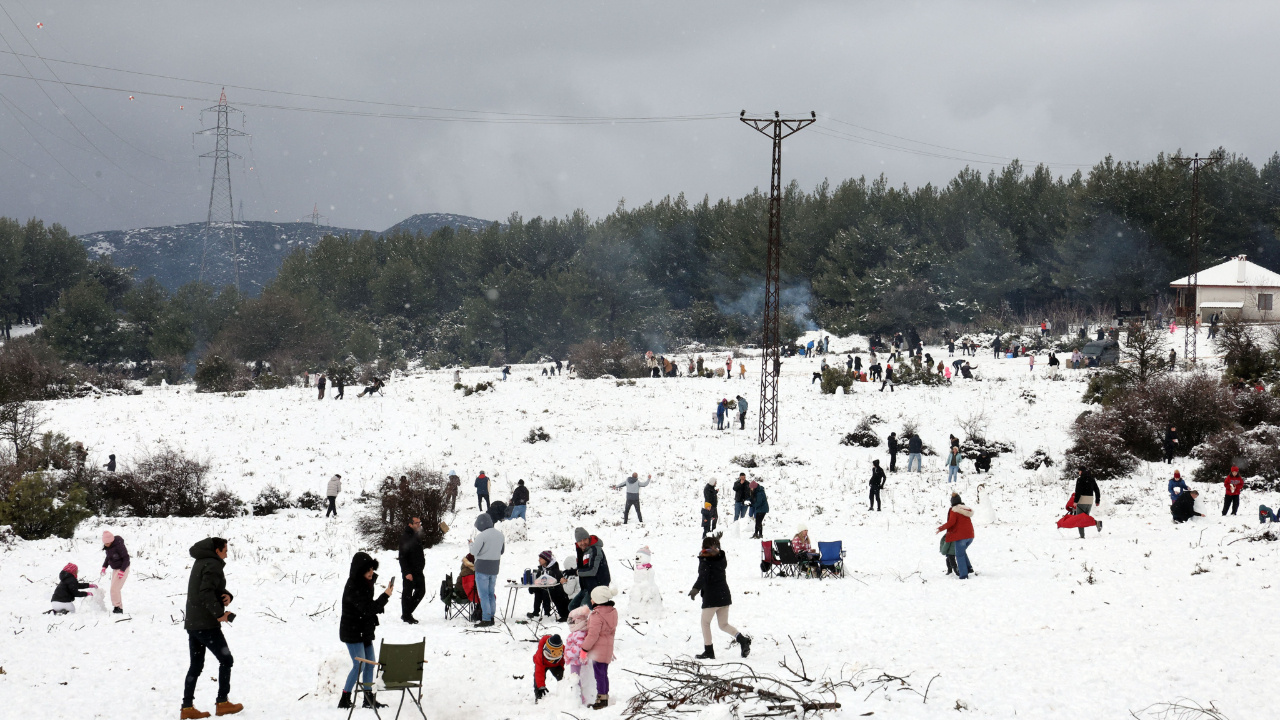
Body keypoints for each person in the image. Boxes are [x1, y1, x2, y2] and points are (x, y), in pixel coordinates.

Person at [182, 537, 242, 718]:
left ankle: (187, 708)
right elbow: (206, 592)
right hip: (206, 624)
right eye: (225, 549)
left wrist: (227, 595)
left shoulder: (201, 561)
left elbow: (211, 588)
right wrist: (219, 614)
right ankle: (222, 702)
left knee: (196, 665)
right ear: (217, 550)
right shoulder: (213, 564)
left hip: (194, 622)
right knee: (226, 660)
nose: (227, 553)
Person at [338, 552, 393, 710]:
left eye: (371, 568)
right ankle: (345, 698)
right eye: (367, 570)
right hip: (353, 632)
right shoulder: (353, 587)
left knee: (370, 664)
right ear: (359, 571)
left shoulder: (366, 583)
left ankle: (368, 699)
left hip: (364, 630)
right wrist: (385, 596)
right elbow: (367, 609)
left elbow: (368, 608)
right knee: (359, 665)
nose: (371, 572)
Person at [689, 536, 751, 660]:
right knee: (723, 624)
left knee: (705, 623)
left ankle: (709, 651)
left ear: (704, 547)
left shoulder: (706, 560)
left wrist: (695, 589)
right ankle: (742, 639)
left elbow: (703, 577)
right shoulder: (721, 558)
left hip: (712, 597)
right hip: (724, 595)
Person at [582, 586, 619, 710]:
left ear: (598, 600)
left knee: (599, 674)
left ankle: (602, 699)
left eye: (592, 598)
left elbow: (593, 635)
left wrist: (584, 649)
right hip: (607, 648)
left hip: (598, 650)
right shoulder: (612, 612)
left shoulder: (596, 615)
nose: (591, 600)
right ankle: (604, 696)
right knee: (603, 673)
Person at [566, 527, 611, 612]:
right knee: (572, 607)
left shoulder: (595, 550)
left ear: (589, 538)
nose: (582, 543)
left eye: (584, 539)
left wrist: (576, 572)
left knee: (584, 610)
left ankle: (593, 623)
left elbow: (593, 570)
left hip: (597, 586)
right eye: (580, 541)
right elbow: (584, 568)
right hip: (587, 587)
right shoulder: (583, 551)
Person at [936, 494, 975, 580]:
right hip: (970, 536)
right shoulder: (965, 509)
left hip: (961, 537)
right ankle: (969, 568)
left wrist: (941, 528)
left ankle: (963, 575)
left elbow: (951, 522)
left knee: (959, 555)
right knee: (962, 552)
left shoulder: (954, 510)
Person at [564, 607, 596, 705]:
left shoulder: (579, 634)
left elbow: (579, 648)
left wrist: (568, 655)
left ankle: (578, 697)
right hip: (575, 661)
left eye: (571, 621)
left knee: (576, 680)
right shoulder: (577, 633)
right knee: (575, 679)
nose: (569, 623)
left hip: (576, 661)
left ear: (577, 621)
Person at [399, 517, 425, 624]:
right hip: (410, 572)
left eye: (419, 522)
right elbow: (402, 557)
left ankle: (407, 613)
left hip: (418, 570)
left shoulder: (416, 535)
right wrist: (406, 572)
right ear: (410, 524)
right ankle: (406, 615)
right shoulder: (405, 537)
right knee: (407, 594)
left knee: (421, 591)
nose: (419, 524)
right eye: (416, 523)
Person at [529, 550, 569, 621]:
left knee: (545, 592)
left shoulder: (555, 570)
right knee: (538, 592)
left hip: (555, 591)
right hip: (544, 589)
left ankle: (547, 613)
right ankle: (536, 612)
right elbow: (538, 581)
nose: (539, 560)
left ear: (546, 560)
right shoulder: (540, 570)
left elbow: (559, 582)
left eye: (541, 558)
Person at [100, 531, 130, 614]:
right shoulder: (108, 547)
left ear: (111, 541)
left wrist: (122, 570)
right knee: (114, 588)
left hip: (123, 568)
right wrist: (104, 567)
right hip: (116, 569)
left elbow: (126, 558)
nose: (105, 545)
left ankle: (118, 608)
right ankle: (118, 607)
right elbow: (108, 558)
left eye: (107, 543)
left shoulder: (119, 546)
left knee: (115, 589)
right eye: (104, 543)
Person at [532, 634, 566, 701]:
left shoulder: (563, 650)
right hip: (543, 664)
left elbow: (563, 663)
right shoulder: (540, 656)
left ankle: (564, 693)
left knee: (562, 678)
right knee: (537, 679)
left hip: (557, 665)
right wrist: (541, 686)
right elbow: (539, 672)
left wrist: (564, 670)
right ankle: (539, 695)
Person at [1072, 468, 1102, 538]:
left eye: (1079, 471)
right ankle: (1097, 523)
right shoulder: (1092, 479)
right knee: (1086, 517)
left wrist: (1076, 501)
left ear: (1081, 471)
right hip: (1090, 500)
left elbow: (1078, 491)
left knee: (1080, 519)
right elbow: (1097, 490)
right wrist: (1097, 500)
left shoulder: (1080, 480)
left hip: (1082, 500)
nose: (1078, 472)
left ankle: (1082, 536)